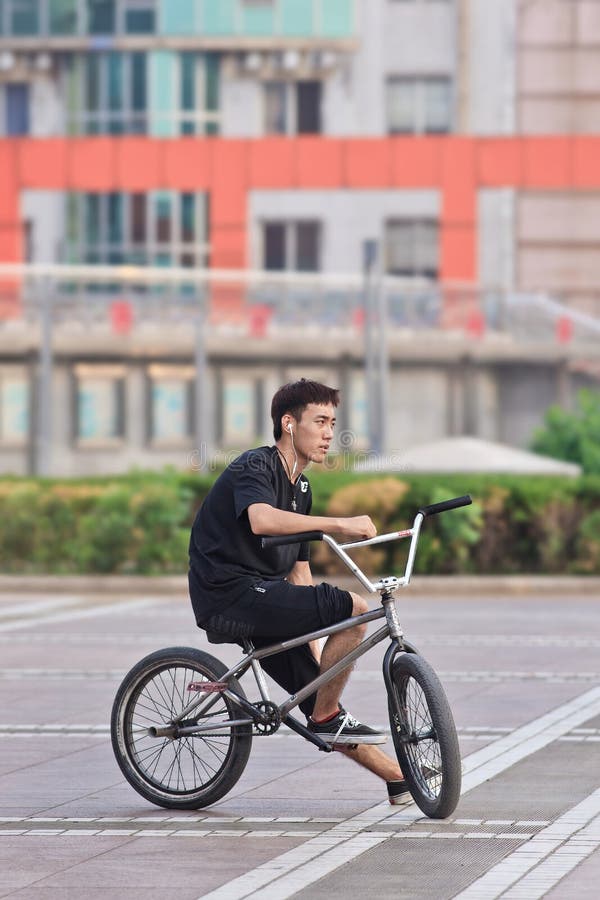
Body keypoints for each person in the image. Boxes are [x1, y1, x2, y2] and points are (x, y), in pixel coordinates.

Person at [189, 378, 408, 804]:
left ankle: (400, 779)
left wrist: (311, 640)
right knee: (352, 607)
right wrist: (340, 524)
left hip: (266, 597)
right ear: (289, 423)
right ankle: (327, 716)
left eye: (333, 423)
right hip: (228, 594)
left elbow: (299, 571)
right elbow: (261, 520)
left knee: (317, 695)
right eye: (320, 421)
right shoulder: (256, 466)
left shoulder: (302, 488)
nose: (330, 433)